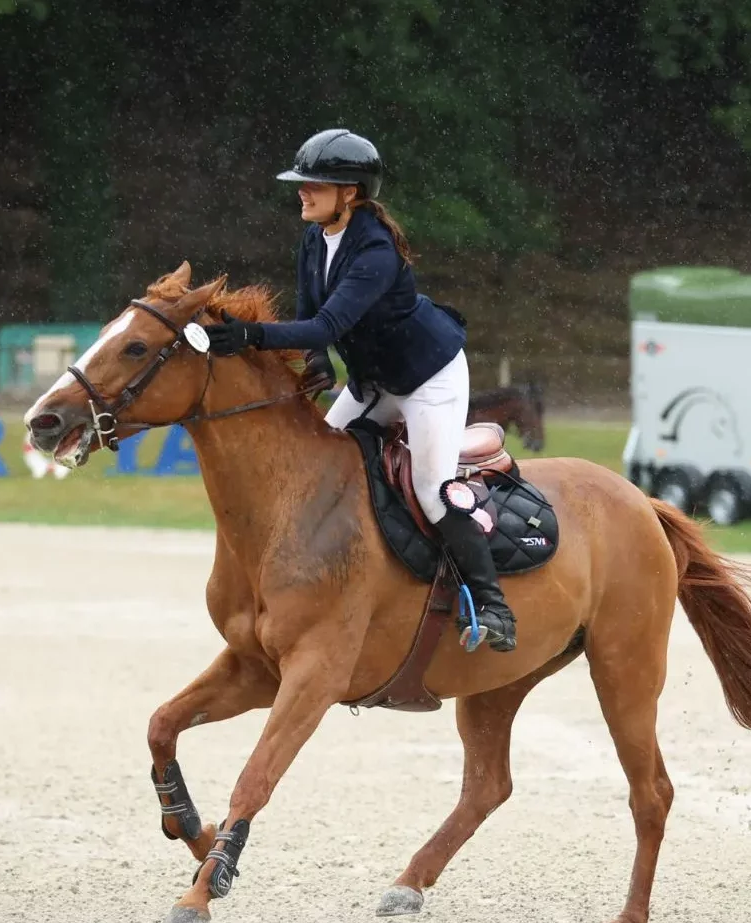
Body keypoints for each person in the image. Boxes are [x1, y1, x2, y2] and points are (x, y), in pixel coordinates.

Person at [202, 128, 517, 653]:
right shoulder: (314, 235)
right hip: (375, 381)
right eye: (302, 183)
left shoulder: (374, 249)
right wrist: (318, 360)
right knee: (317, 466)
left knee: (432, 490)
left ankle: (492, 606)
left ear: (350, 192)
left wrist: (251, 336)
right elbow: (310, 315)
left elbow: (327, 324)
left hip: (427, 378)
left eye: (315, 184)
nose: (302, 191)